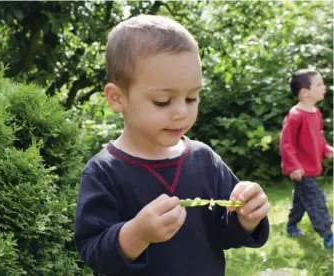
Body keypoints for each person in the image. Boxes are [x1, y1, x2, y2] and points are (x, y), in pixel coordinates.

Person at [74, 14, 270, 276]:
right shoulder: (103, 172)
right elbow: (93, 251)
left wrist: (246, 218)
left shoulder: (204, 160)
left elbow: (224, 233)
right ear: (117, 97)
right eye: (162, 101)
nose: (181, 112)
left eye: (191, 98)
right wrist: (136, 234)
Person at [279, 68, 333, 248]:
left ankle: (292, 225)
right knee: (317, 202)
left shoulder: (315, 113)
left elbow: (318, 137)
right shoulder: (295, 116)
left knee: (301, 201)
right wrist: (293, 166)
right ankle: (328, 236)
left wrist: (326, 150)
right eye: (319, 84)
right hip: (301, 170)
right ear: (305, 92)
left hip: (309, 169)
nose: (324, 87)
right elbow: (286, 144)